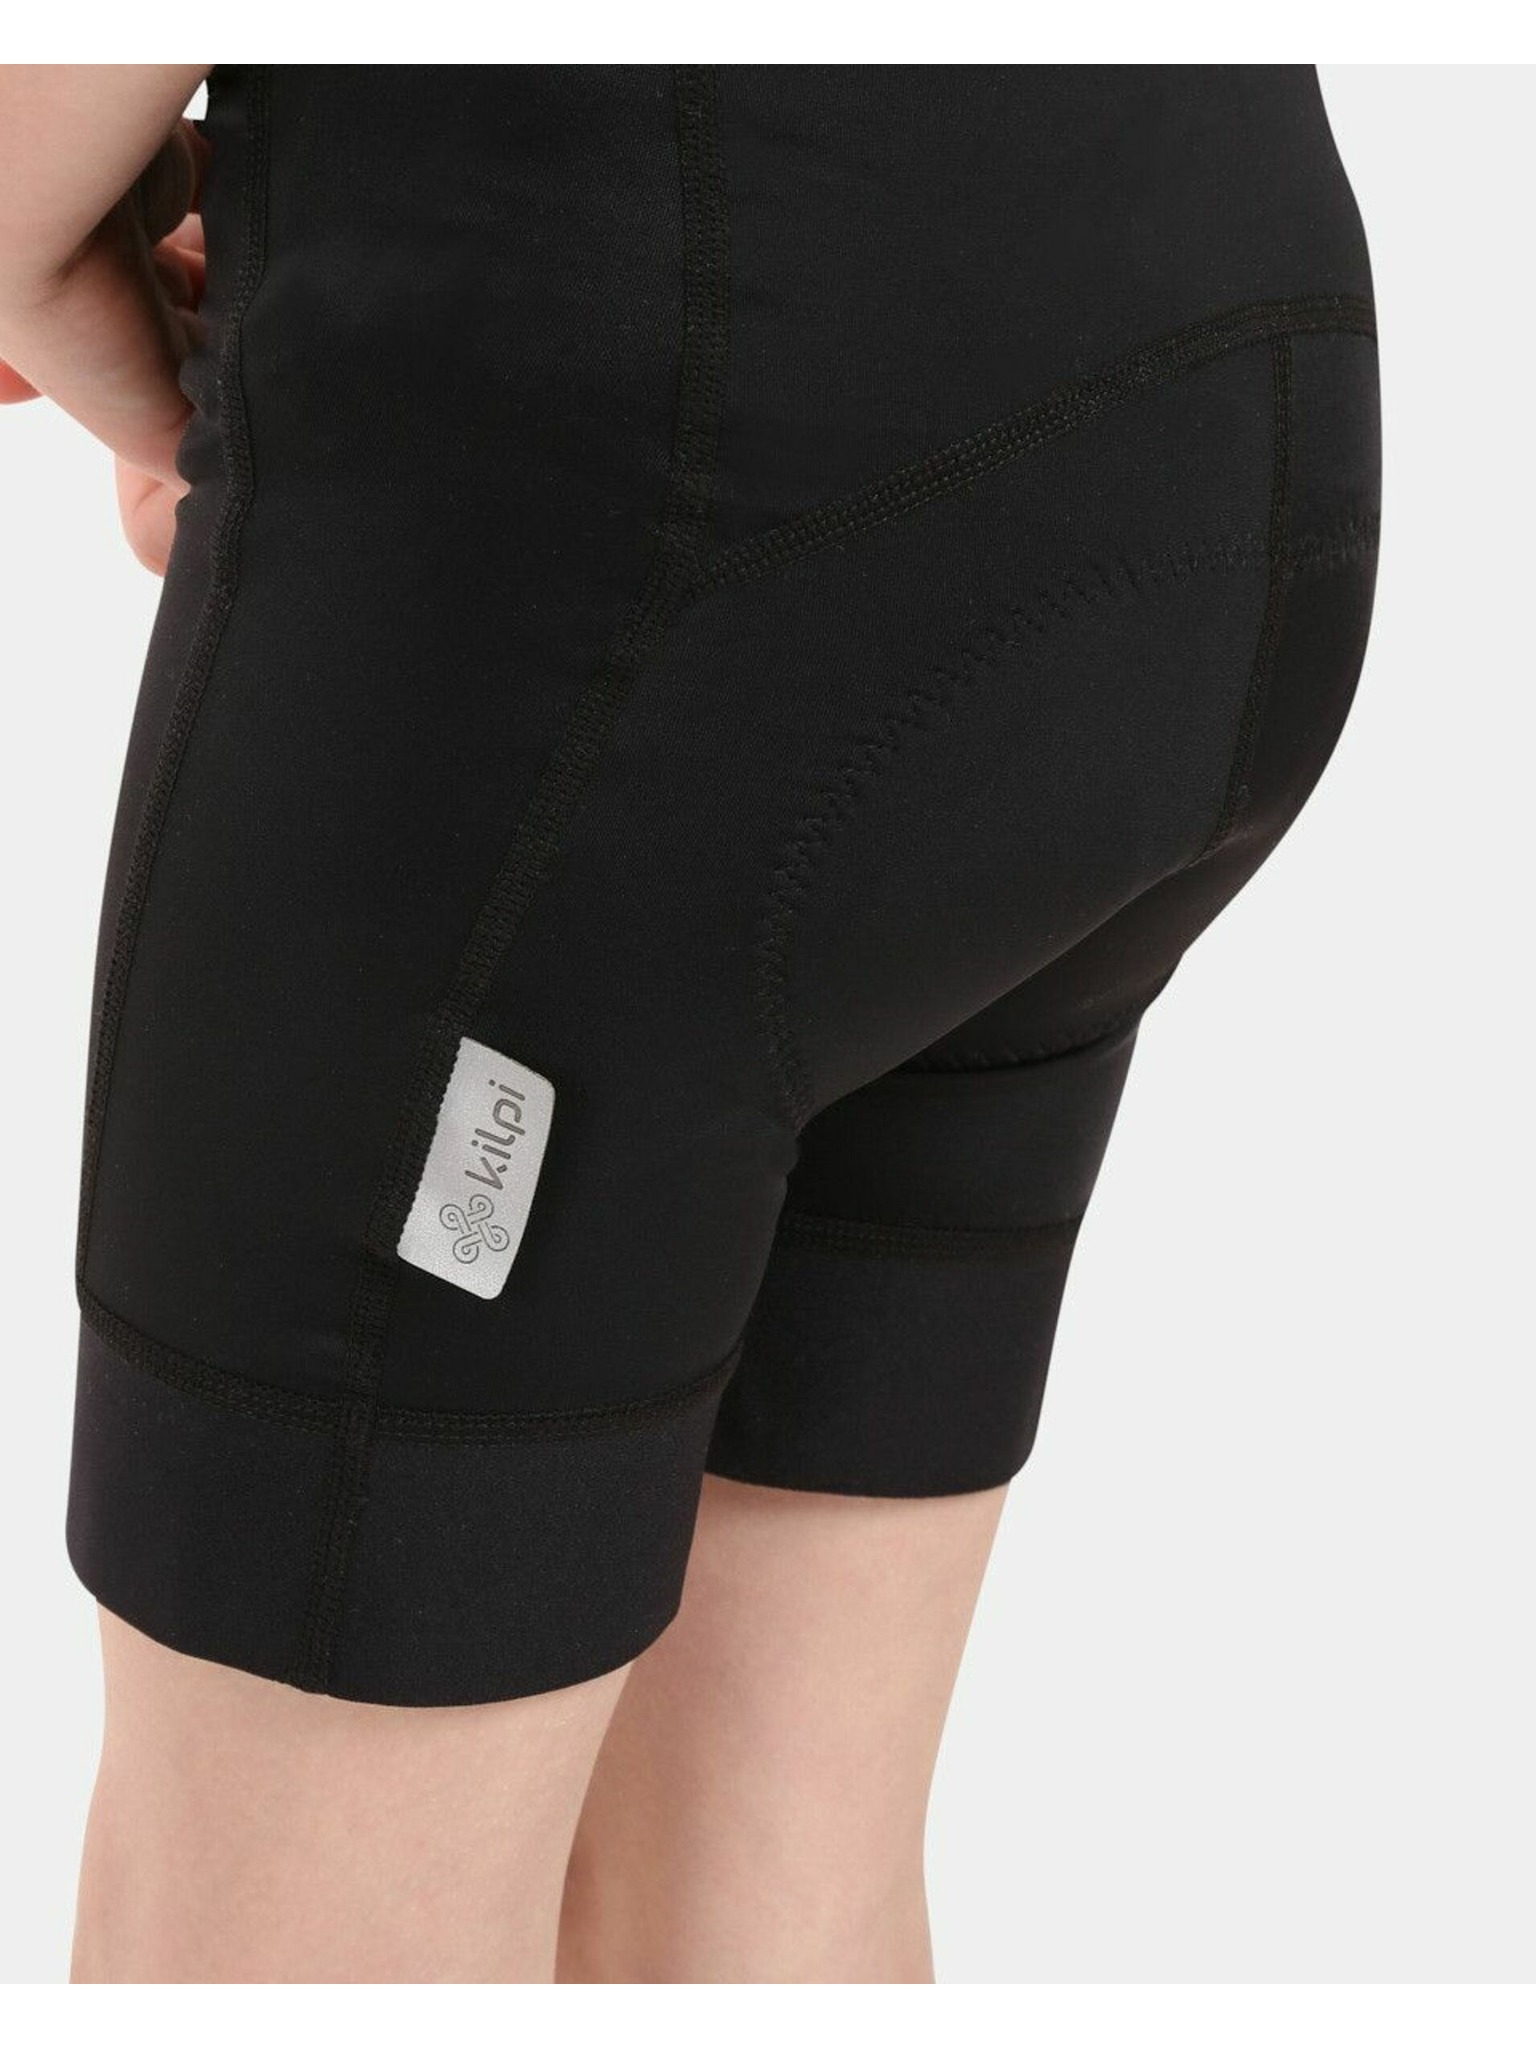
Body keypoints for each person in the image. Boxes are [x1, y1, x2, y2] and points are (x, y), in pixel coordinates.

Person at [0, 64, 1381, 1983]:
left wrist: (117, 337)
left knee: (266, 1948)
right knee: (768, 1894)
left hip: (637, 511)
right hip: (1209, 401)